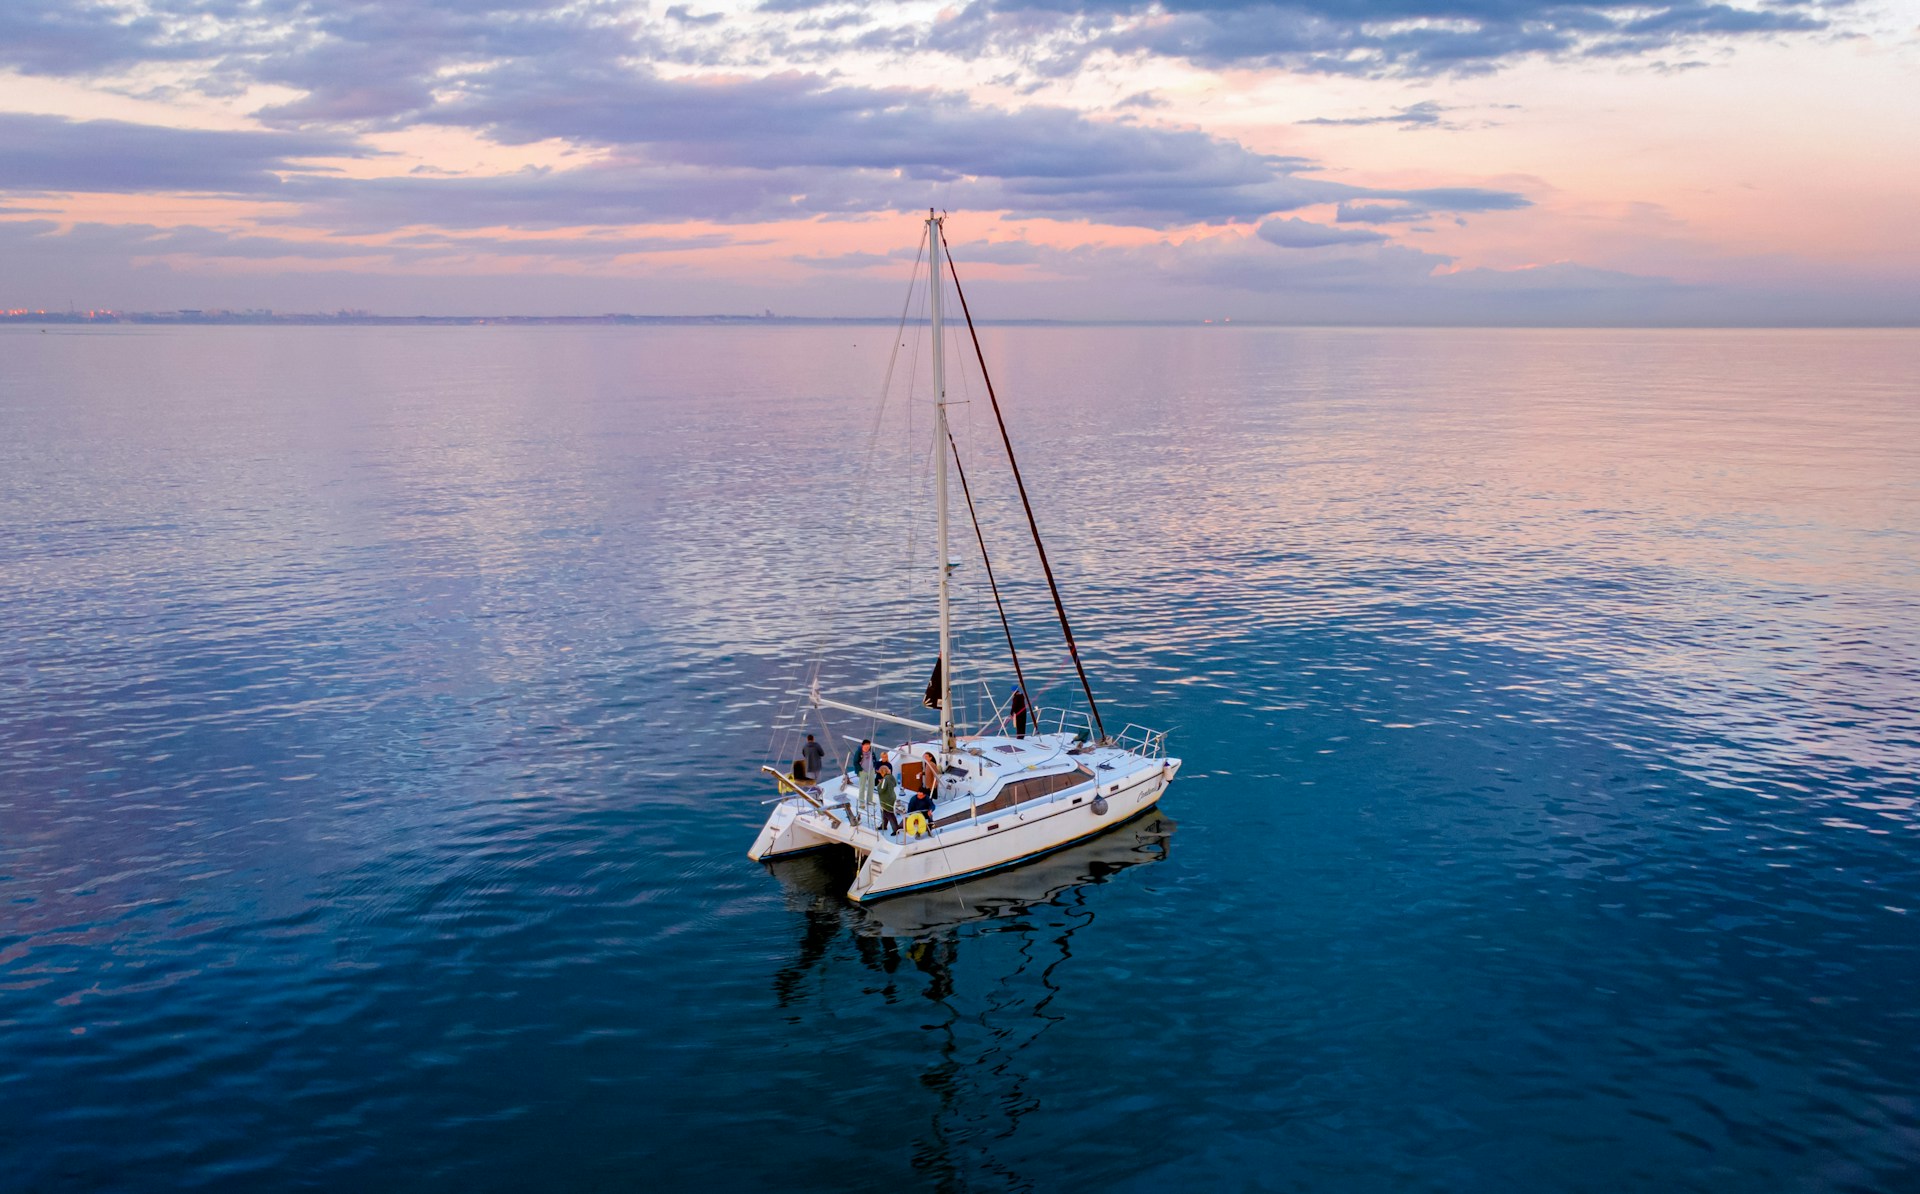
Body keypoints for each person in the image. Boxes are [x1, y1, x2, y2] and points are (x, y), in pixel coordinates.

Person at [848, 738, 879, 810]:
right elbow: (855, 762)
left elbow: (874, 759)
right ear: (862, 745)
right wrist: (860, 770)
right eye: (866, 745)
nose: (867, 746)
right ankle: (861, 802)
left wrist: (874, 767)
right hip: (863, 771)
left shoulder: (871, 751)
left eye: (868, 745)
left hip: (871, 770)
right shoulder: (859, 752)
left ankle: (869, 800)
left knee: (871, 785)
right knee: (862, 787)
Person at [875, 761, 902, 835]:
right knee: (884, 812)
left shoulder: (885, 779)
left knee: (889, 814)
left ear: (882, 772)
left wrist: (880, 783)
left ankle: (896, 830)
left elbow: (881, 790)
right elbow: (895, 784)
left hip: (886, 799)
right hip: (892, 797)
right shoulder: (891, 776)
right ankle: (884, 826)